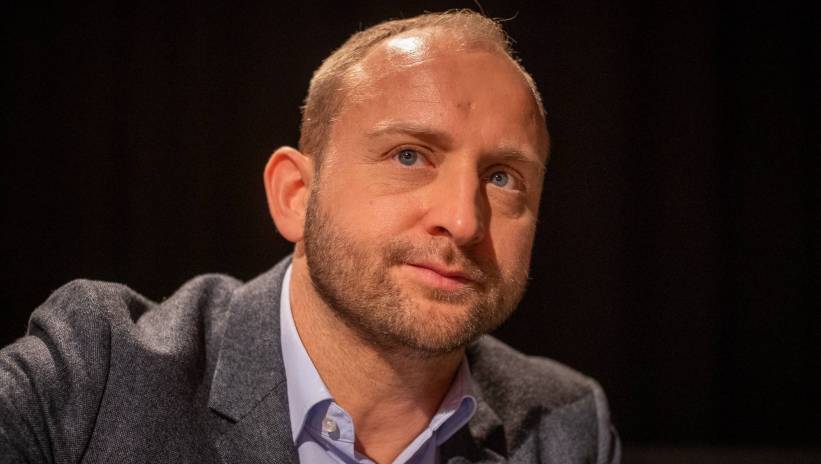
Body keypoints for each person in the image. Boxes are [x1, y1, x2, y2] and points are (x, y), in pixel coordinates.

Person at [0, 10, 620, 464]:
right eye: (409, 156)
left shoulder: (566, 427)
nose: (464, 221)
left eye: (503, 177)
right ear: (295, 195)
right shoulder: (95, 375)